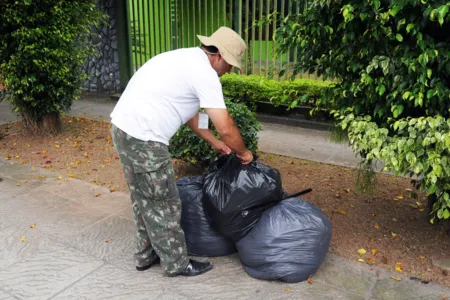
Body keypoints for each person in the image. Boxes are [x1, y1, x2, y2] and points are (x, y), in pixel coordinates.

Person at [110, 26, 254, 277]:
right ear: (217, 56)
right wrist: (243, 153)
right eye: (230, 64)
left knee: (144, 199)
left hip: (123, 130)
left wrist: (213, 142)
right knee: (165, 202)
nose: (229, 71)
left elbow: (192, 116)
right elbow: (226, 126)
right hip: (145, 140)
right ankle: (176, 264)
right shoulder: (205, 74)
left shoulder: (184, 58)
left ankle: (145, 256)